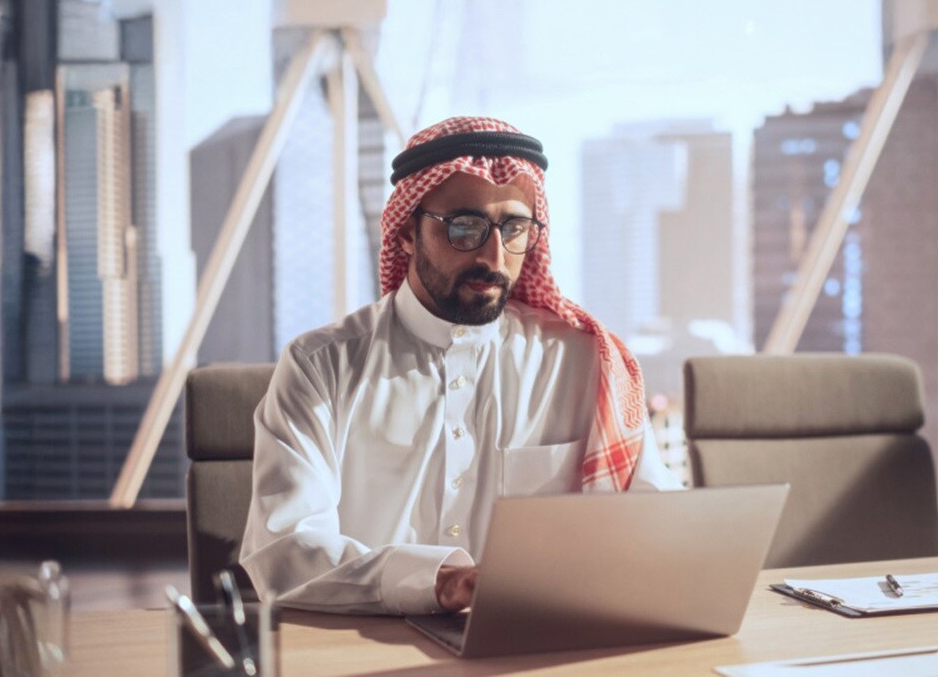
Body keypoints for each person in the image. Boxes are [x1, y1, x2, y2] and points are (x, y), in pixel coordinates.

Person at [240, 116, 682, 616]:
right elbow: (285, 551)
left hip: (534, 649)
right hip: (366, 649)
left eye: (514, 228)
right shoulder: (321, 367)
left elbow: (656, 519)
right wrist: (440, 583)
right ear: (407, 232)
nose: (494, 255)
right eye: (465, 227)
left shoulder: (584, 361)